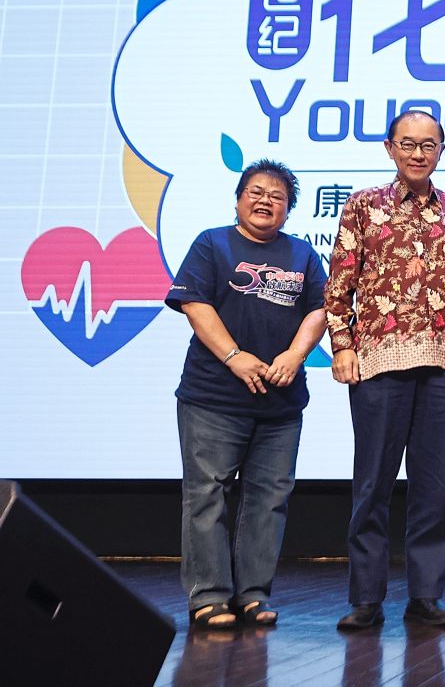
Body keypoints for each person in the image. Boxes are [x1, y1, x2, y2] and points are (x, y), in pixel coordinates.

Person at [325, 110, 445, 631]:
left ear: (442, 150)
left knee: (434, 486)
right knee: (372, 483)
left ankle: (426, 597)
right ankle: (366, 598)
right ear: (389, 147)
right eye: (408, 144)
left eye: (429, 145)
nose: (418, 153)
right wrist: (341, 346)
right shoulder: (363, 206)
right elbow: (339, 285)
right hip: (377, 362)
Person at [166, 159, 327, 631]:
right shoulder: (211, 243)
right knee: (207, 495)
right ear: (238, 199)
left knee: (269, 499)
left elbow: (320, 310)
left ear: (289, 209)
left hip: (281, 403)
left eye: (277, 197)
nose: (265, 201)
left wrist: (295, 356)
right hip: (214, 397)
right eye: (256, 192)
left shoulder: (302, 255)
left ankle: (253, 594)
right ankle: (209, 596)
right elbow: (194, 304)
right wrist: (235, 356)